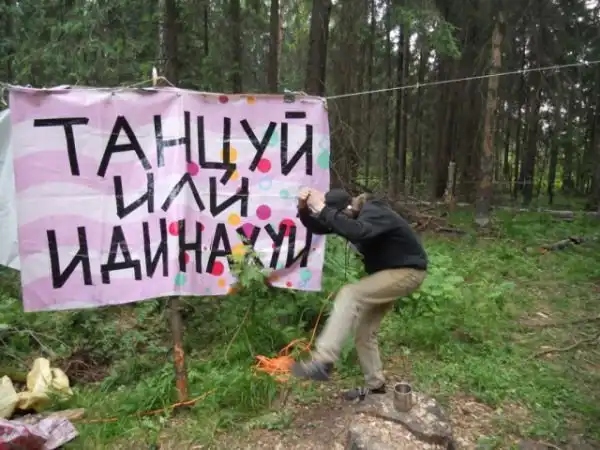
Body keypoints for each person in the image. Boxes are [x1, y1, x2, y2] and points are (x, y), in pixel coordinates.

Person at [292, 187, 428, 401]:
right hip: (388, 274)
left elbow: (358, 232)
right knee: (364, 332)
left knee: (350, 294)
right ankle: (376, 386)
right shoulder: (351, 216)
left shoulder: (374, 210)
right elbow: (319, 227)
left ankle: (323, 360)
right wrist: (303, 210)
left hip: (407, 271)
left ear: (348, 208)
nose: (339, 222)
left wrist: (322, 208)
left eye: (340, 217)